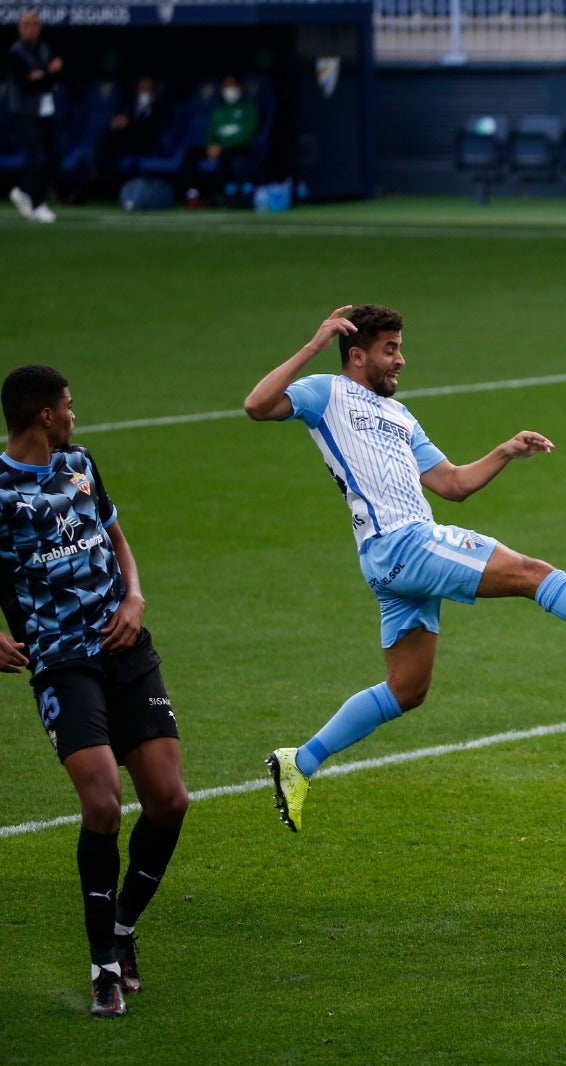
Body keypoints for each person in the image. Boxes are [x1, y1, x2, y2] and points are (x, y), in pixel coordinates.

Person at [245, 305, 566, 834]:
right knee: (532, 572)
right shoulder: (324, 392)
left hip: (397, 556)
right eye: (390, 349)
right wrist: (311, 343)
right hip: (402, 545)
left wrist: (506, 451)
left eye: (400, 347)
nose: (401, 360)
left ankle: (299, 762)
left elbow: (453, 484)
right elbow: (257, 405)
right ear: (356, 354)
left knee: (406, 689)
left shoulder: (401, 418)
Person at [0, 365, 189, 1018]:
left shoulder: (80, 462)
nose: (75, 414)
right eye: (69, 406)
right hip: (61, 662)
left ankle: (125, 926)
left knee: (168, 800)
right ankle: (103, 963)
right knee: (104, 803)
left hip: (126, 649)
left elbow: (114, 533)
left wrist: (134, 595)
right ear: (45, 415)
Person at [6, 10, 62, 223]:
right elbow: (26, 82)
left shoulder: (45, 48)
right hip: (24, 110)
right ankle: (36, 202)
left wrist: (42, 75)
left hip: (45, 108)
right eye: (27, 24)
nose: (31, 28)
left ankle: (24, 192)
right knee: (38, 155)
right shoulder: (16, 53)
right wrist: (47, 73)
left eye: (35, 24)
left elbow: (52, 76)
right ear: (20, 29)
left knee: (55, 153)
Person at [183, 74, 258, 206]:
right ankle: (193, 195)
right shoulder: (218, 110)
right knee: (191, 153)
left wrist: (221, 147)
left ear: (240, 88)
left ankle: (218, 195)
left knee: (225, 155)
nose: (230, 89)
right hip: (218, 148)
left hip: (239, 148)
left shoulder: (249, 108)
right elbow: (210, 134)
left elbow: (247, 135)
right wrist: (211, 146)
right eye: (227, 86)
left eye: (233, 85)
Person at [94, 77, 167, 198]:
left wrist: (130, 123)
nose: (144, 89)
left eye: (147, 86)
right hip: (126, 139)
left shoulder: (158, 105)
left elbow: (154, 126)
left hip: (144, 141)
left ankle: (97, 177)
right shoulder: (131, 104)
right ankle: (98, 176)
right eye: (142, 85)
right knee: (108, 138)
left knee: (109, 143)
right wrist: (116, 122)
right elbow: (122, 116)